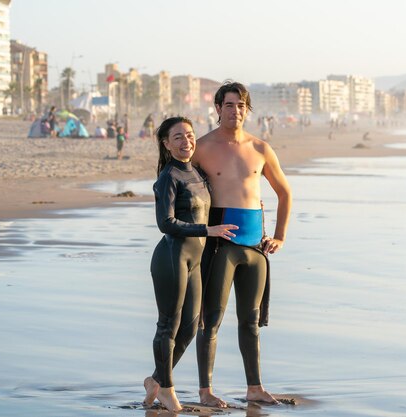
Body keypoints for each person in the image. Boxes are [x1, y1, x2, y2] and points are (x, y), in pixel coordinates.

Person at [192, 82, 292, 407]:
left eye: (241, 106)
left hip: (255, 247)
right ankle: (205, 392)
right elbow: (178, 187)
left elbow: (284, 193)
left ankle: (255, 388)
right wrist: (195, 232)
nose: (235, 111)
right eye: (229, 105)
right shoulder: (203, 147)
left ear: (247, 110)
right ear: (218, 108)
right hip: (221, 245)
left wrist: (279, 236)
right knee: (211, 319)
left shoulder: (261, 148)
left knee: (251, 321)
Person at [142, 116, 238, 413]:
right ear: (167, 144)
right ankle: (167, 390)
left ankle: (156, 380)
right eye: (178, 137)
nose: (186, 142)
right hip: (172, 257)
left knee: (191, 325)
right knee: (168, 325)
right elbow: (165, 223)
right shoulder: (168, 177)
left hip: (194, 260)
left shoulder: (196, 173)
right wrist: (206, 231)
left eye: (189, 135)